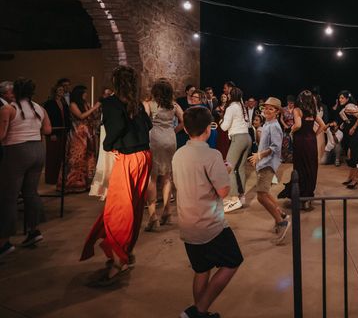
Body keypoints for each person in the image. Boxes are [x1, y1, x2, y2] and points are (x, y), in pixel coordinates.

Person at [80, 66, 153, 286]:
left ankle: (119, 260)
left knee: (119, 209)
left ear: (115, 81)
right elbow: (147, 125)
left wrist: (108, 145)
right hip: (144, 156)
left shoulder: (111, 103)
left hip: (129, 159)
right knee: (133, 207)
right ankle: (126, 253)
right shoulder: (137, 103)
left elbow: (117, 127)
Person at [172, 106, 242, 318]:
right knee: (233, 261)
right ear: (208, 129)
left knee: (202, 269)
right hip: (209, 224)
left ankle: (200, 313)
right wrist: (225, 169)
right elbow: (223, 191)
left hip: (187, 222)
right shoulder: (212, 155)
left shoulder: (179, 154)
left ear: (186, 129)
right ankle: (199, 310)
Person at [0, 78, 52, 257]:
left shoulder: (8, 109)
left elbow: (2, 134)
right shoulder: (39, 108)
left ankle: (4, 242)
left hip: (16, 151)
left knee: (9, 196)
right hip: (37, 149)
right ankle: (34, 231)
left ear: (14, 92)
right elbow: (47, 130)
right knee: (31, 192)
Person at [143, 79, 184, 231]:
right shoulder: (174, 105)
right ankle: (167, 211)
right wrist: (173, 130)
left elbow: (144, 121)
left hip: (154, 139)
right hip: (170, 139)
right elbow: (184, 119)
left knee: (152, 178)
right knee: (167, 176)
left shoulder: (149, 104)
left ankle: (153, 216)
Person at [248, 97, 290, 244]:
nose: (266, 110)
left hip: (268, 165)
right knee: (265, 193)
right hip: (262, 163)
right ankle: (282, 214)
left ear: (277, 112)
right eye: (265, 108)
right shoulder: (267, 124)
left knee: (260, 196)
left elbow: (275, 147)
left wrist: (260, 155)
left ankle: (281, 222)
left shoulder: (275, 126)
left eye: (271, 109)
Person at [278, 90, 326, 209]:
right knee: (311, 167)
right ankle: (308, 196)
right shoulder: (313, 112)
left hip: (301, 141)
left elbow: (298, 125)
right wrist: (314, 134)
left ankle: (300, 196)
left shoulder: (297, 110)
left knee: (300, 167)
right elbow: (323, 125)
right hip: (311, 141)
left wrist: (291, 130)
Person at [60, 85, 101, 192]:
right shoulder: (73, 105)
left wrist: (97, 110)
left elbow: (92, 116)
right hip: (78, 134)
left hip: (87, 133)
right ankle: (72, 183)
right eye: (84, 93)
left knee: (88, 157)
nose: (86, 95)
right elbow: (81, 116)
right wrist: (94, 107)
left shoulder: (86, 104)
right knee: (77, 158)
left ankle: (85, 183)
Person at [220, 87, 252, 213]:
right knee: (241, 168)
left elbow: (224, 127)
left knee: (229, 167)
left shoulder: (231, 107)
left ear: (230, 96)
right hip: (247, 137)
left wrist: (221, 120)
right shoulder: (242, 106)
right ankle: (241, 196)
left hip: (238, 138)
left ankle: (234, 199)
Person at [43, 83, 71, 184]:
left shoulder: (64, 103)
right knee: (52, 156)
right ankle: (51, 179)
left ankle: (59, 179)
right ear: (55, 91)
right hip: (54, 132)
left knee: (61, 155)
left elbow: (67, 117)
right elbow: (48, 119)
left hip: (63, 131)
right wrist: (51, 133)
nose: (61, 92)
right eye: (59, 90)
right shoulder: (49, 103)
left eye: (63, 90)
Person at [279, 95, 296, 163]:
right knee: (285, 143)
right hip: (286, 128)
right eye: (289, 103)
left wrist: (294, 126)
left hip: (294, 128)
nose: (290, 104)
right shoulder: (284, 109)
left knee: (294, 143)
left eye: (292, 103)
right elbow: (281, 119)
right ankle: (284, 159)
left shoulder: (296, 109)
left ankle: (293, 159)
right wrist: (285, 125)